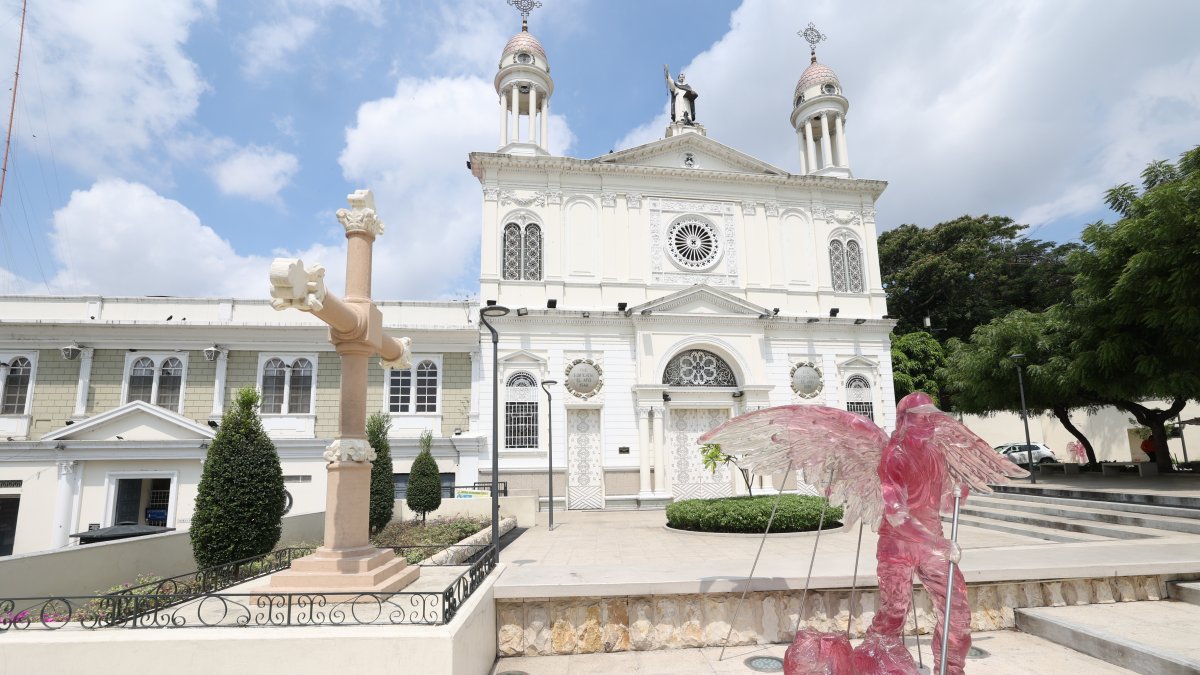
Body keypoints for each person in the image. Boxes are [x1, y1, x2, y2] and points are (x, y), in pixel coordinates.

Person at [851, 392, 971, 675]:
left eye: (932, 416)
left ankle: (951, 669)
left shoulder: (935, 453)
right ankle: (875, 660)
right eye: (922, 416)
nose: (929, 421)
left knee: (958, 612)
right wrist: (939, 542)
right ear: (905, 421)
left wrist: (957, 494)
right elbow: (896, 515)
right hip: (898, 546)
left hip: (932, 544)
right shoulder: (894, 456)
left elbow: (939, 502)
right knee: (894, 613)